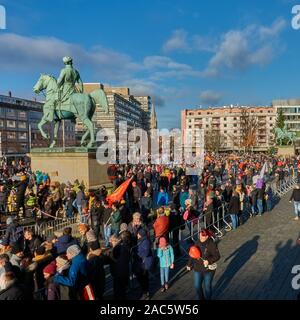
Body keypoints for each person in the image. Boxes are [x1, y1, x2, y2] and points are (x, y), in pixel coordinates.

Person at [187, 229, 220, 300]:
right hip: (198, 268)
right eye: (200, 236)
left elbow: (217, 256)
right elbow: (193, 253)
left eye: (203, 237)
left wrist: (208, 261)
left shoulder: (211, 244)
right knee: (197, 286)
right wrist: (189, 264)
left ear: (207, 237)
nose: (201, 238)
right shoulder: (197, 242)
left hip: (208, 270)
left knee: (207, 287)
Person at [132, 229, 153, 300]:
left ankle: (146, 293)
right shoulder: (141, 240)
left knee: (144, 279)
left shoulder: (145, 241)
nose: (137, 235)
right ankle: (144, 292)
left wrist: (137, 254)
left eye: (138, 234)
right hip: (141, 263)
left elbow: (146, 253)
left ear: (141, 234)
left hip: (144, 264)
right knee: (141, 278)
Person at [108, 234, 130, 300]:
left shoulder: (117, 248)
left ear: (114, 241)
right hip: (124, 270)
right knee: (122, 289)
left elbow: (113, 259)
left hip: (118, 272)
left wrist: (108, 255)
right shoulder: (123, 246)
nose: (110, 243)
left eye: (111, 242)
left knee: (119, 290)